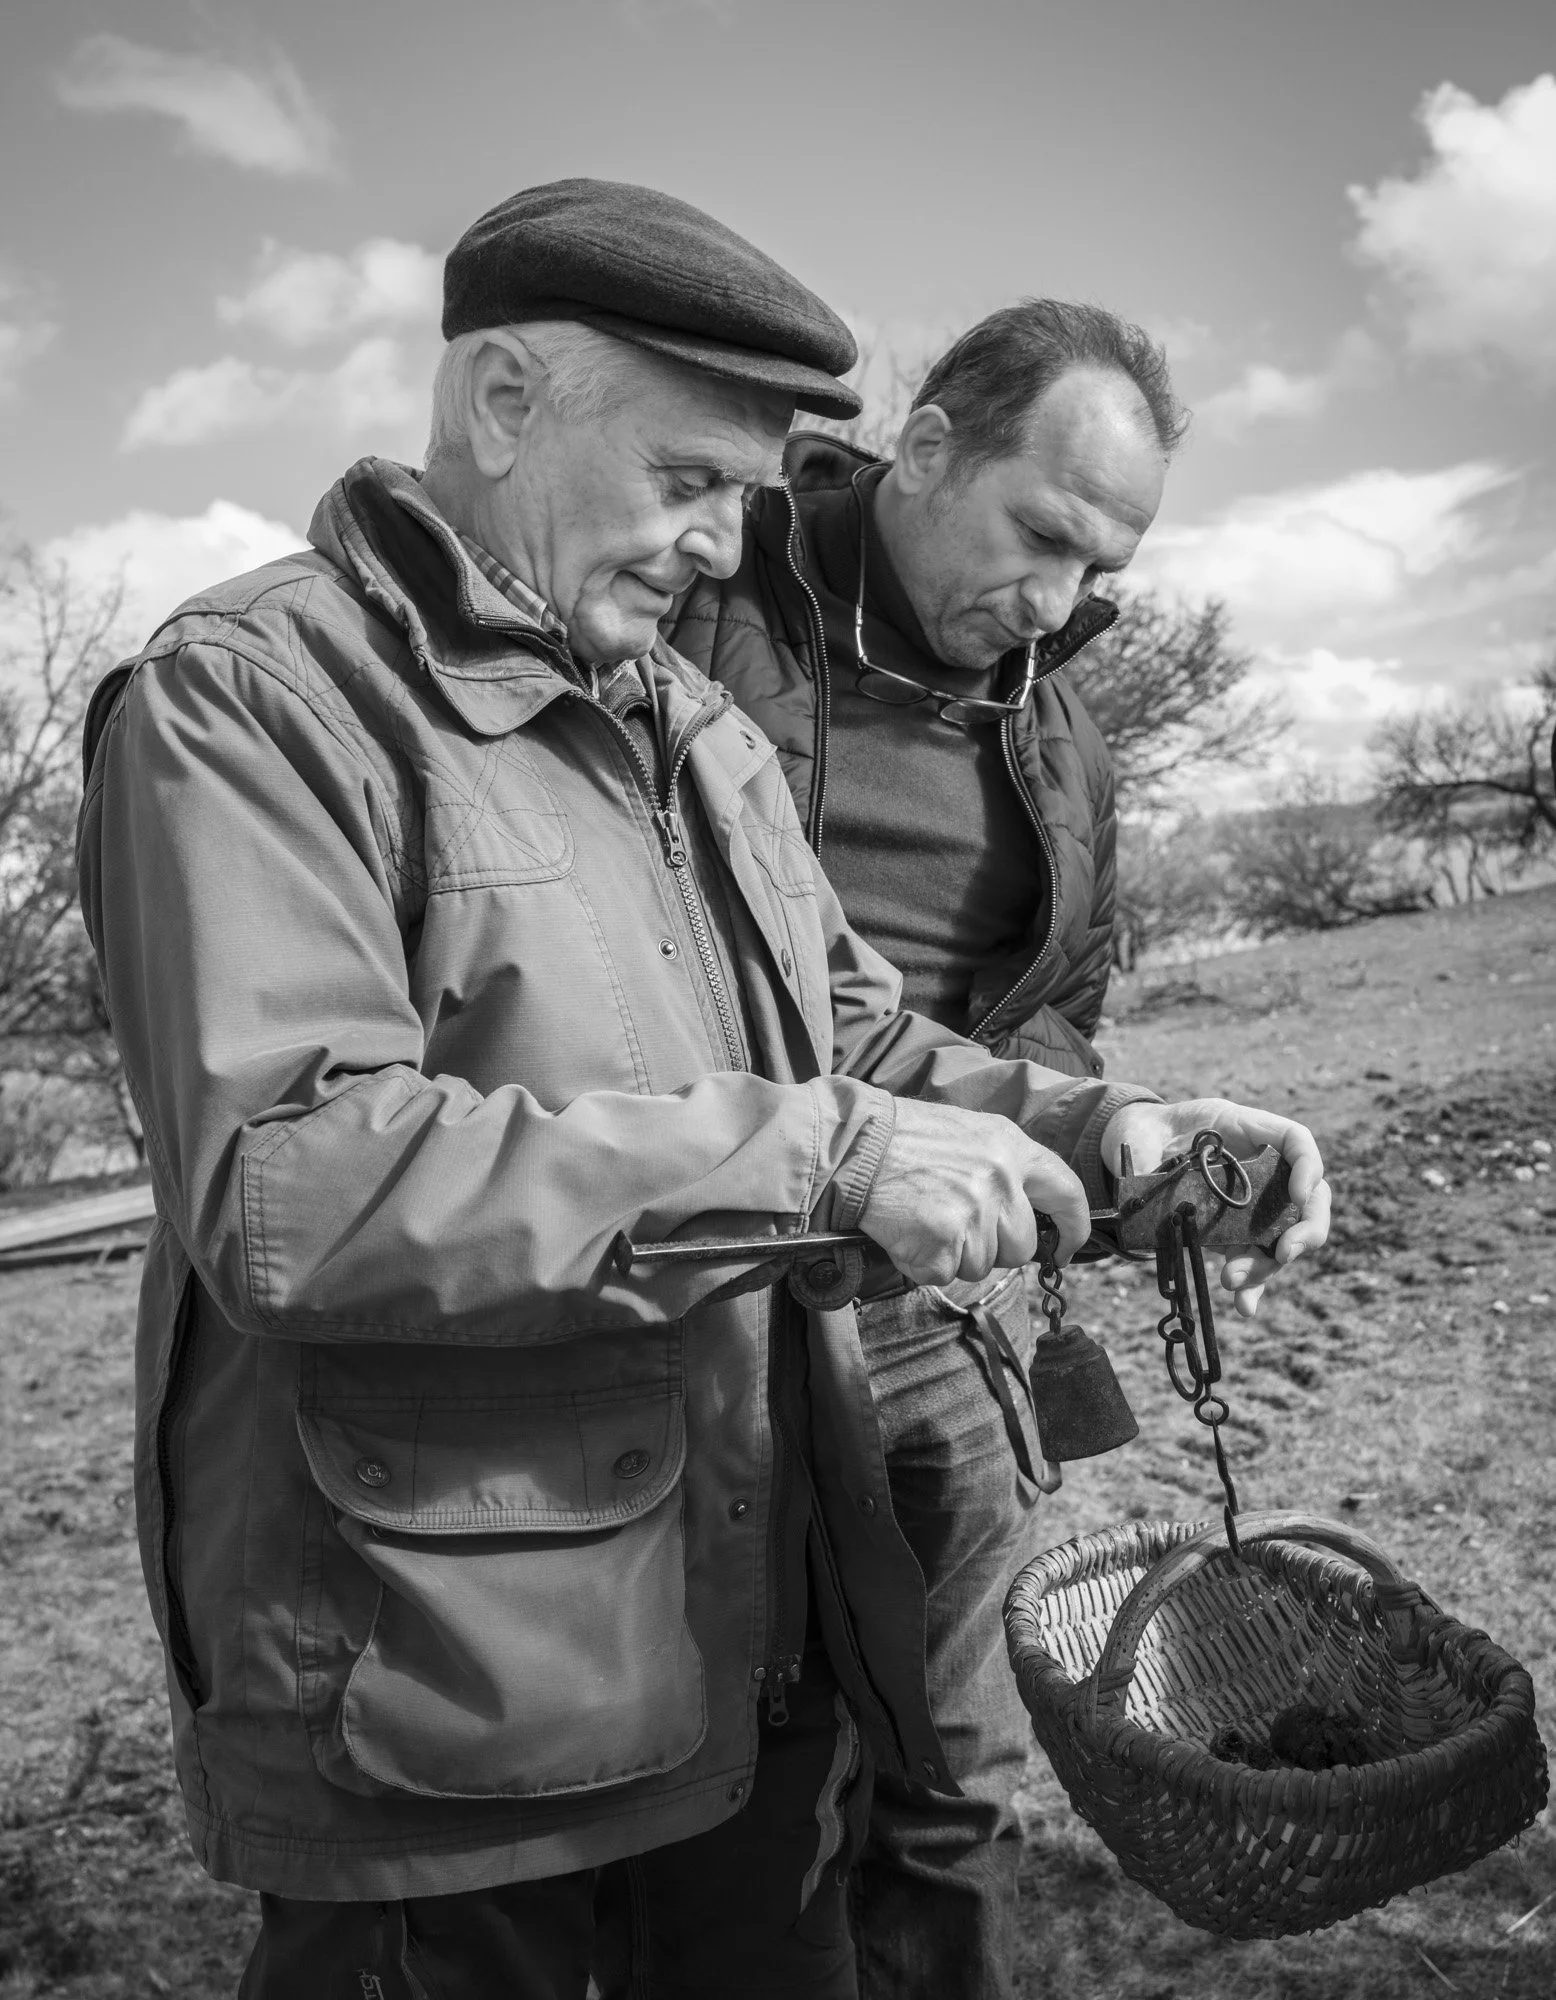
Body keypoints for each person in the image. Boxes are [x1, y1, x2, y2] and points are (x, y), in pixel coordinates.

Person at [77, 179, 1329, 2000]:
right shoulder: (251, 706)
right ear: (502, 403)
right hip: (448, 1708)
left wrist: (1100, 1130)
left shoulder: (695, 729)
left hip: (737, 1637)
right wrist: (823, 1162)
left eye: (748, 492)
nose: (730, 547)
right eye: (686, 481)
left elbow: (855, 1043)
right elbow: (294, 1185)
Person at [666, 305, 1198, 1999]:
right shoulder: (691, 605)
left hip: (949, 1313)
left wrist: (1085, 1155)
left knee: (952, 1777)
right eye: (1041, 535)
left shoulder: (1060, 740)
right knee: (745, 1789)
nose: (1055, 603)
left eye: (1099, 564)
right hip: (721, 1287)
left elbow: (1059, 1000)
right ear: (931, 444)